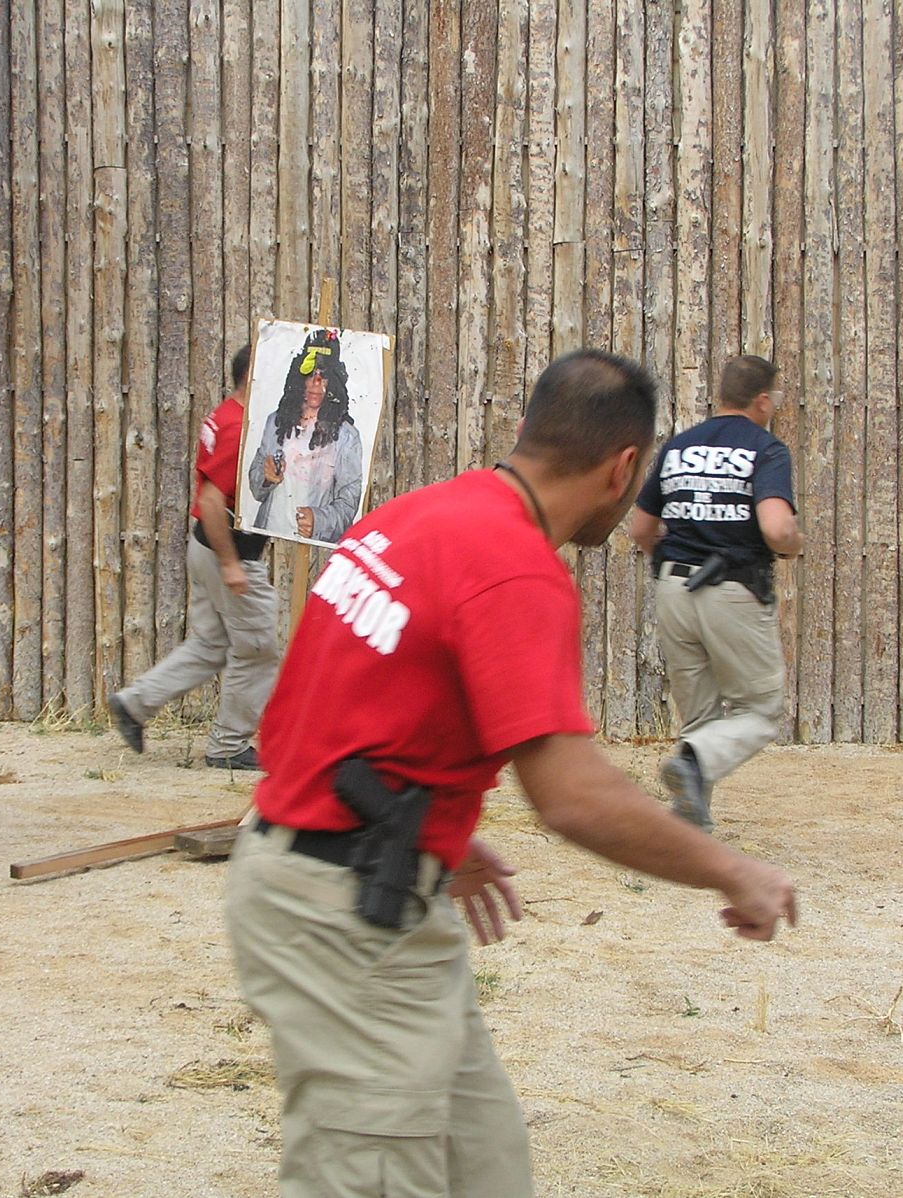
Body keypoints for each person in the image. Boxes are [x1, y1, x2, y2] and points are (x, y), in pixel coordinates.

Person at [225, 349, 798, 1198]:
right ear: (625, 469)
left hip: (360, 887)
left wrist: (425, 830)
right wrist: (732, 871)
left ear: (526, 430)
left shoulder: (417, 518)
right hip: (340, 918)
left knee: (480, 1164)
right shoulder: (515, 568)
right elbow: (570, 797)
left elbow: (303, 719)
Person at [629, 354, 804, 831]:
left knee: (700, 714)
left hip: (673, 587)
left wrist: (666, 564)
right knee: (759, 711)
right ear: (763, 400)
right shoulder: (765, 449)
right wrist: (794, 542)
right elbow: (775, 528)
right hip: (731, 589)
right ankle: (693, 764)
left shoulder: (679, 447)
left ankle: (691, 826)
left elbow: (641, 526)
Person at [108, 345, 279, 771]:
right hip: (227, 550)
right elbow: (212, 496)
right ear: (253, 375)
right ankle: (229, 746)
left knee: (210, 644)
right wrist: (231, 564)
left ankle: (134, 704)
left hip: (207, 545)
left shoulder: (226, 415)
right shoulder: (239, 426)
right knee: (259, 648)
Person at [246, 326, 364, 544]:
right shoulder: (277, 421)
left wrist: (319, 521)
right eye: (310, 375)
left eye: (323, 377)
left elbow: (349, 503)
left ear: (334, 381)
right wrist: (265, 477)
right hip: (268, 540)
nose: (315, 384)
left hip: (313, 549)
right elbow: (255, 487)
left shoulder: (347, 437)